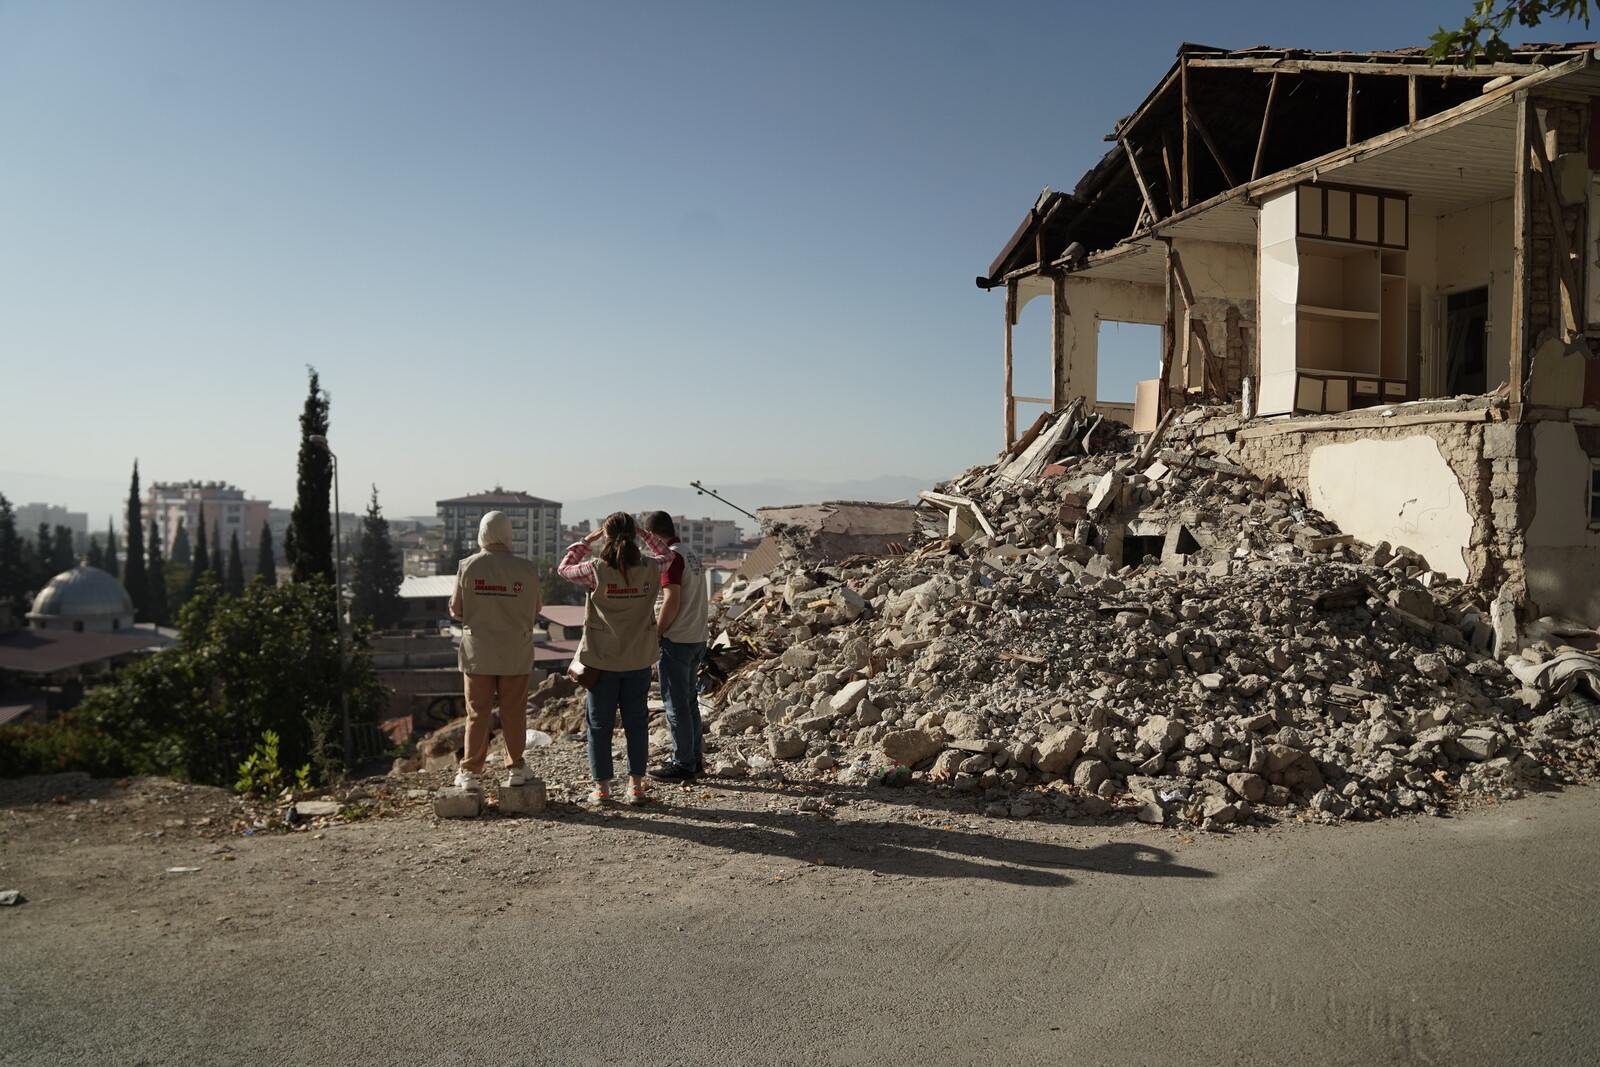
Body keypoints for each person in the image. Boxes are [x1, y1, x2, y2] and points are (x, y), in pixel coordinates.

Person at [558, 511, 673, 805]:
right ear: (634, 536)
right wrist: (645, 534)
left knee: (599, 726)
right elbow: (668, 554)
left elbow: (564, 569)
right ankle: (635, 787)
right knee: (636, 724)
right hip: (638, 660)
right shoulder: (650, 567)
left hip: (602, 660)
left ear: (606, 537)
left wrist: (585, 541)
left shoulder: (595, 570)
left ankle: (603, 789)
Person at [448, 511, 545, 791]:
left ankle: (469, 773)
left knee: (477, 713)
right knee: (514, 712)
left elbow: (456, 609)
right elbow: (536, 607)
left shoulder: (468, 566)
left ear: (482, 534)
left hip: (479, 652)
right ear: (507, 534)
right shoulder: (527, 569)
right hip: (516, 650)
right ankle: (515, 767)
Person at [642, 512, 711, 781]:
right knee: (688, 701)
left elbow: (671, 598)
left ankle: (682, 763)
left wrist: (658, 634)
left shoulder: (671, 558)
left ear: (654, 535)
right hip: (696, 637)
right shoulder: (689, 553)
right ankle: (694, 760)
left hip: (676, 638)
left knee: (675, 705)